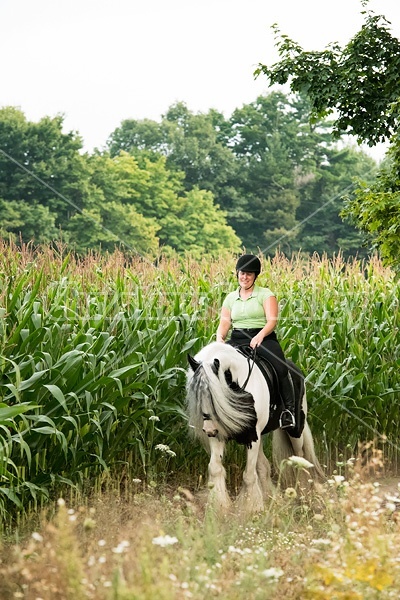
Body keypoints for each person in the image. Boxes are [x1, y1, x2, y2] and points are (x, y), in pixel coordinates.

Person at [216, 253, 296, 429]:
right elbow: (225, 322)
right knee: (215, 367)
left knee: (281, 367)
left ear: (255, 276)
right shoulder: (230, 298)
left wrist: (260, 335)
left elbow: (272, 321)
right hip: (237, 339)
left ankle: (288, 411)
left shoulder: (265, 295)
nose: (244, 277)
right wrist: (219, 338)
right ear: (237, 273)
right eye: (242, 273)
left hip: (263, 338)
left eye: (249, 274)